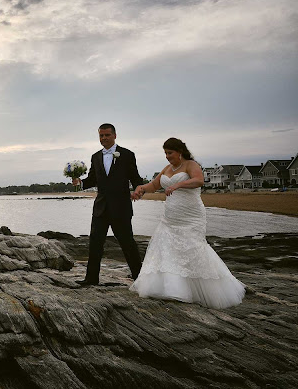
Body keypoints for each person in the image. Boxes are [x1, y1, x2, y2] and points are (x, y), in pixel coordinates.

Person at [130, 138, 246, 308]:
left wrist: (178, 185)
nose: (167, 157)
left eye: (170, 153)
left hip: (191, 216)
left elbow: (199, 180)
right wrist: (141, 189)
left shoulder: (191, 165)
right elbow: (154, 185)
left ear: (180, 151)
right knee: (168, 249)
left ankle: (203, 289)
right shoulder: (167, 169)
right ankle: (173, 289)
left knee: (193, 248)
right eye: (165, 153)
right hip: (170, 218)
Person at [71, 123, 144, 286]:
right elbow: (92, 179)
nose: (104, 138)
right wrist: (79, 183)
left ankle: (140, 278)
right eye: (101, 136)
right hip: (101, 208)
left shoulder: (127, 154)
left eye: (107, 135)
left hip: (121, 207)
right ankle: (91, 279)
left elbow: (136, 178)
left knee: (128, 243)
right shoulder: (95, 157)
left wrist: (139, 190)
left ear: (115, 135)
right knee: (95, 243)